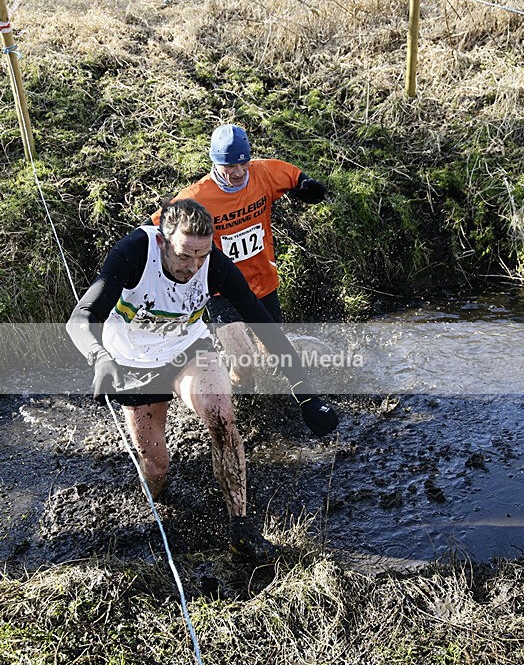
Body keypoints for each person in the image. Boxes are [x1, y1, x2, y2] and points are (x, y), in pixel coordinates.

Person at [67, 199, 338, 562]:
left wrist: (305, 394)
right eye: (184, 256)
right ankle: (158, 504)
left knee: (222, 414)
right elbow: (82, 315)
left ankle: (241, 528)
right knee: (157, 465)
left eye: (201, 256)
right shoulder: (134, 251)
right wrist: (99, 359)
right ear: (164, 242)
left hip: (187, 348)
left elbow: (264, 325)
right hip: (133, 360)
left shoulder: (213, 264)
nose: (193, 268)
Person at [150, 124, 327, 385]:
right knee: (244, 361)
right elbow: (156, 226)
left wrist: (306, 186)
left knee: (272, 359)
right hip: (222, 289)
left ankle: (270, 403)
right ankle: (237, 395)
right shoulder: (197, 197)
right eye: (230, 166)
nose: (238, 172)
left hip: (263, 283)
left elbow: (293, 176)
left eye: (243, 164)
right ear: (215, 162)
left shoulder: (262, 172)